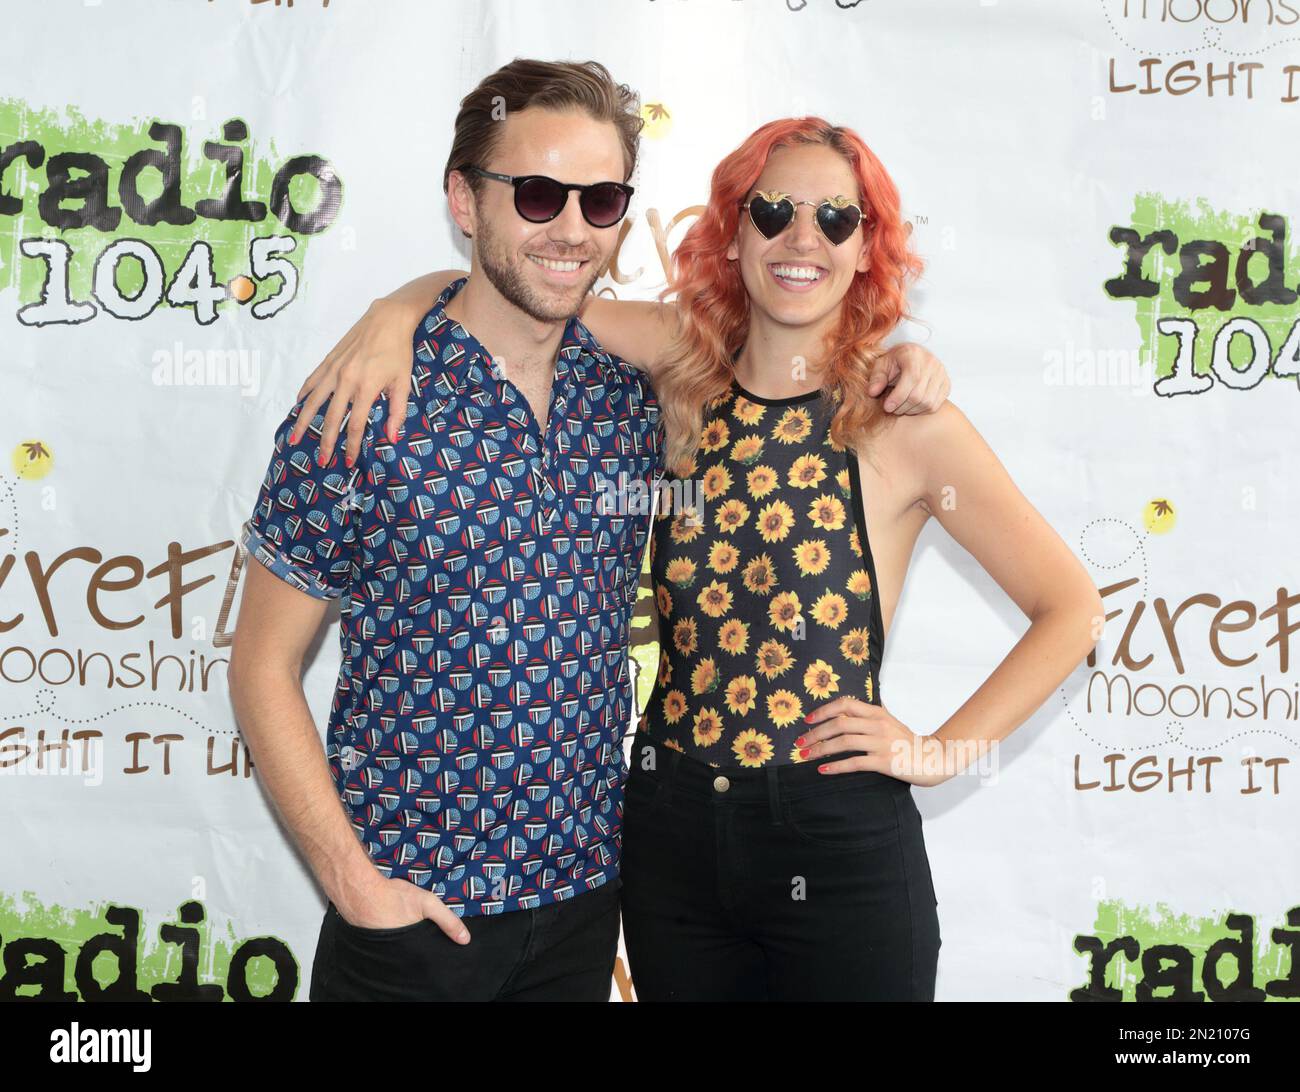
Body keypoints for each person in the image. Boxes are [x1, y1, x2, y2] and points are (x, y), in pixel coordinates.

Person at [298, 112, 1103, 1003]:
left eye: (838, 218)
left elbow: (1071, 607)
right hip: (669, 834)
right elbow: (518, 288)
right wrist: (394, 310)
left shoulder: (901, 422)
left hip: (833, 842)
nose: (804, 239)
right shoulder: (680, 363)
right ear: (734, 230)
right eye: (774, 213)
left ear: (870, 246)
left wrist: (942, 752)